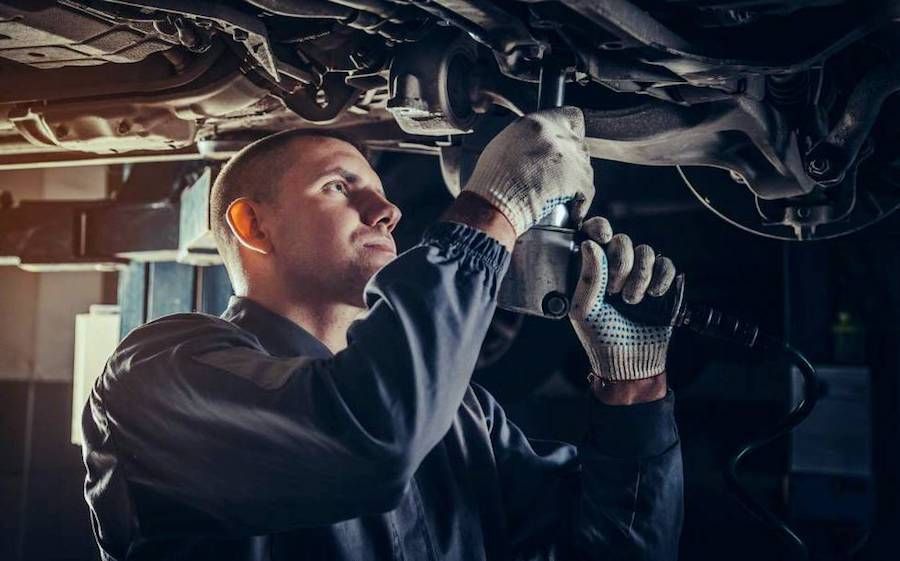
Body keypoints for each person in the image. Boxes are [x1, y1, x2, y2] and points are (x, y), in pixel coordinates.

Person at [81, 107, 683, 561]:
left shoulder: (462, 413)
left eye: (383, 195)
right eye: (340, 187)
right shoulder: (154, 379)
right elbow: (370, 438)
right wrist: (492, 210)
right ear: (253, 224)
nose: (386, 212)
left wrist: (633, 386)